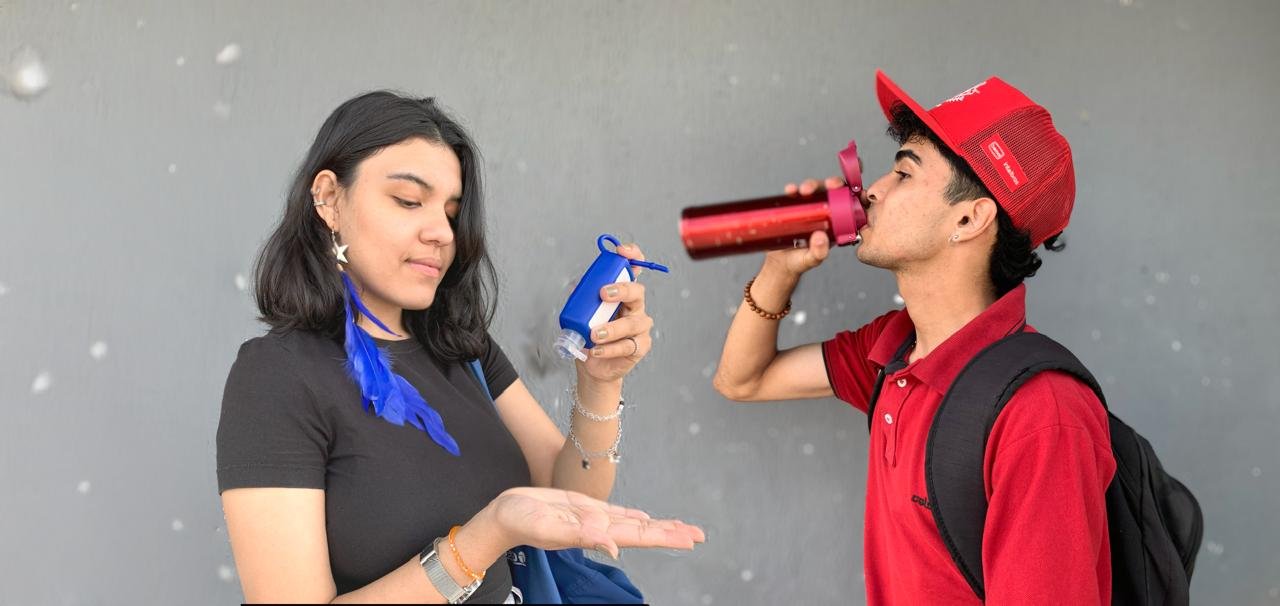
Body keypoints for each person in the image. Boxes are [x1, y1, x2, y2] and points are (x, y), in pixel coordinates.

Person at [216, 91, 703, 604]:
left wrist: (600, 382)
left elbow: (574, 502)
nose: (441, 233)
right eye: (409, 201)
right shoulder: (277, 377)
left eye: (451, 212)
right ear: (329, 199)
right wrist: (487, 536)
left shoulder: (463, 349)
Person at [712, 71, 1114, 604]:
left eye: (903, 173)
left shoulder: (1041, 413)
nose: (873, 189)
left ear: (969, 218)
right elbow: (743, 380)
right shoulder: (893, 350)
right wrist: (780, 269)